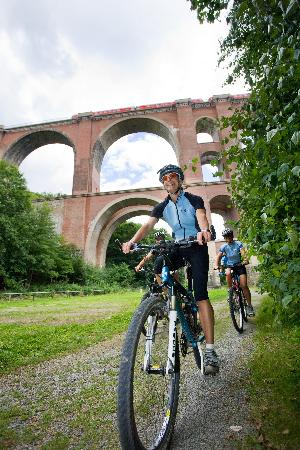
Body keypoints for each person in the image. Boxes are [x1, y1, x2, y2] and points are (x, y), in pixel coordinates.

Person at [122, 164, 219, 374]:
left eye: (172, 176)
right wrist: (132, 241)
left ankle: (210, 350)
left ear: (180, 179)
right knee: (159, 265)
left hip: (196, 244)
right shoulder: (162, 206)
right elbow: (148, 225)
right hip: (177, 245)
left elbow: (202, 217)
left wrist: (203, 231)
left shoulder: (194, 199)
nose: (168, 180)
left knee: (201, 294)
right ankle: (168, 301)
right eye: (164, 178)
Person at [214, 228, 255, 316]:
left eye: (229, 236)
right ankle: (230, 291)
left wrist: (245, 260)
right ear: (224, 238)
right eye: (226, 237)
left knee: (244, 285)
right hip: (230, 266)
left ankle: (249, 306)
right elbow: (218, 257)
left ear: (232, 236)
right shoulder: (224, 247)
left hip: (239, 265)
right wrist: (216, 265)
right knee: (228, 273)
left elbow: (243, 253)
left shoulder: (238, 244)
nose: (228, 238)